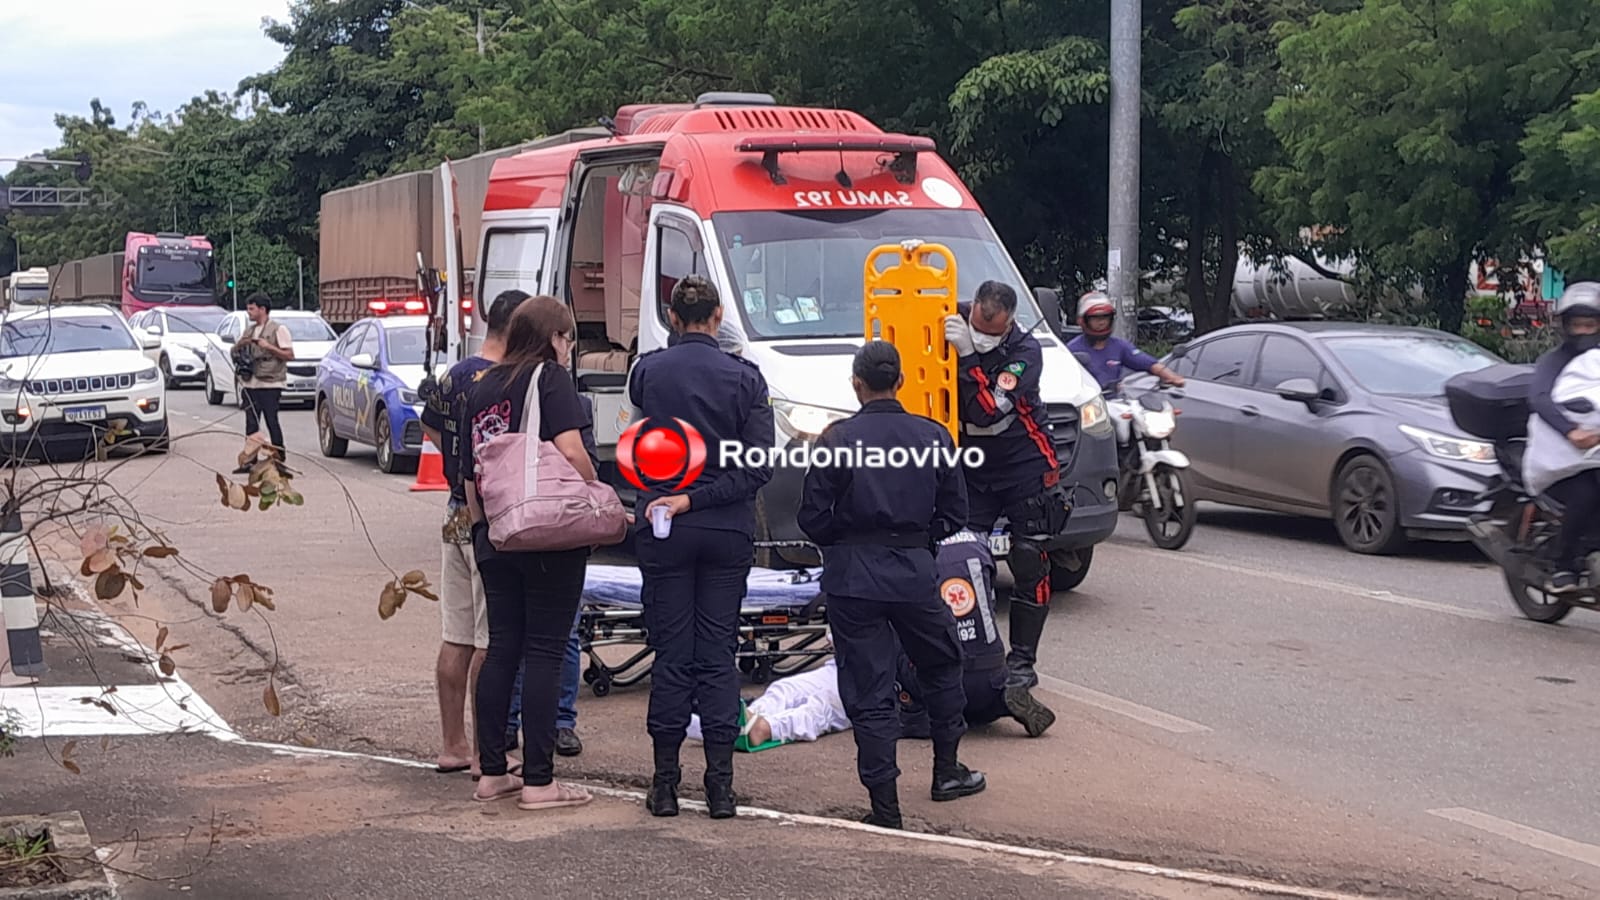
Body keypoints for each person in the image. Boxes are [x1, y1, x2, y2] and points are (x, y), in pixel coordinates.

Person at [798, 341, 985, 830]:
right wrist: (916, 541)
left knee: (869, 689)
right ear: (900, 382)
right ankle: (946, 772)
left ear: (857, 384)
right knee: (942, 664)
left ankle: (885, 807)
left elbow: (813, 519)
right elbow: (955, 515)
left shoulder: (836, 439)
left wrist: (850, 540)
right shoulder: (933, 436)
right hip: (914, 574)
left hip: (853, 579)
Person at [628, 275, 774, 820]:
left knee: (671, 653)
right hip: (725, 530)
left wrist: (681, 497)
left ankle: (665, 785)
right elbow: (758, 466)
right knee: (716, 655)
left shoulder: (648, 372)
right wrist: (706, 496)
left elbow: (643, 432)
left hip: (663, 525)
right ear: (717, 318)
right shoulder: (745, 379)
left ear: (671, 317)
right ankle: (720, 788)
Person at [459, 295, 594, 811]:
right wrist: (596, 495)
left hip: (495, 533)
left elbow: (470, 472)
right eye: (566, 337)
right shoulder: (550, 379)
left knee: (503, 647)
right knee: (544, 648)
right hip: (546, 533)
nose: (568, 347)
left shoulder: (484, 384)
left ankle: (492, 770)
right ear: (552, 338)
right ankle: (540, 780)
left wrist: (481, 532)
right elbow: (571, 450)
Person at [945, 281, 1071, 691]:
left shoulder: (1025, 353)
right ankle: (969, 654)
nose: (981, 332)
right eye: (977, 323)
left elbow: (986, 411)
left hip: (1025, 463)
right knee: (960, 557)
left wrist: (967, 356)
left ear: (1009, 321)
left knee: (1028, 559)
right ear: (973, 308)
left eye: (991, 329)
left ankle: (1021, 663)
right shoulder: (954, 316)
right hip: (974, 467)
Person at [1526, 282, 1600, 593]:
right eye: (1576, 325)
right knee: (1589, 489)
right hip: (1564, 462)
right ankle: (1564, 565)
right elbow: (1539, 397)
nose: (1583, 331)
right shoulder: (1554, 361)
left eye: (1590, 324)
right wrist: (1572, 431)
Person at [1066, 291, 1186, 394]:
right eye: (1095, 318)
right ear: (1083, 321)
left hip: (1115, 404)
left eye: (1105, 317)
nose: (1101, 322)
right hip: (1089, 410)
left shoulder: (1119, 346)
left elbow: (1148, 363)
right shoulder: (1071, 350)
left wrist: (1172, 377)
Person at [233, 293, 293, 473]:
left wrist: (269, 347)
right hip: (250, 383)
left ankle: (279, 461)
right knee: (251, 423)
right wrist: (240, 345)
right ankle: (249, 461)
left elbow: (289, 355)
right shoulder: (249, 331)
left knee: (271, 421)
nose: (248, 312)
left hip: (270, 384)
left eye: (251, 309)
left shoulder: (278, 329)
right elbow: (235, 353)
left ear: (262, 309)